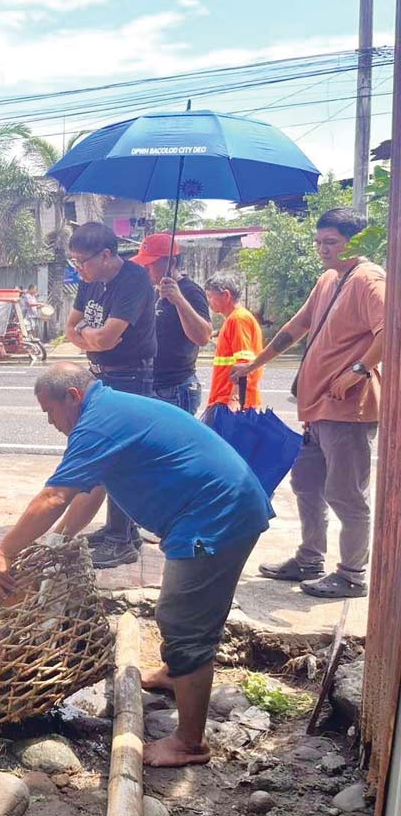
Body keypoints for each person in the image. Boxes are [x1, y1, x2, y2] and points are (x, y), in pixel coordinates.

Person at [0, 363, 272, 767]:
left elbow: (54, 497)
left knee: (183, 620)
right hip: (214, 508)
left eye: (49, 411)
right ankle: (177, 673)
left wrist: (4, 553)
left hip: (215, 515)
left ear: (72, 397)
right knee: (184, 614)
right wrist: (59, 539)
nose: (50, 422)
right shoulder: (109, 411)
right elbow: (92, 489)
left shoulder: (97, 423)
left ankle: (189, 743)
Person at [232, 207, 386, 599]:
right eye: (319, 242)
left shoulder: (370, 279)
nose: (322, 250)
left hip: (346, 408)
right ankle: (309, 558)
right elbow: (296, 328)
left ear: (356, 242)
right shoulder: (330, 278)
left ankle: (352, 574)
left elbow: (390, 331)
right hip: (317, 407)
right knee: (307, 483)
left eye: (330, 243)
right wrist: (255, 363)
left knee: (346, 494)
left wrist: (358, 369)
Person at [64, 223, 157, 568]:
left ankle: (121, 540)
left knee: (121, 457)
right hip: (101, 376)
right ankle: (120, 530)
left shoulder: (133, 280)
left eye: (82, 262)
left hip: (131, 375)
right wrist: (91, 334)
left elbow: (107, 339)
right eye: (73, 262)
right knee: (109, 455)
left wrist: (87, 335)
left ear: (106, 255)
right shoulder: (90, 283)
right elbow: (71, 330)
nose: (79, 270)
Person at [130, 233, 211, 414]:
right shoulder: (152, 291)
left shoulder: (190, 291)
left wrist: (179, 301)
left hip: (175, 388)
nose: (145, 268)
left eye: (150, 263)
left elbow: (203, 336)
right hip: (151, 384)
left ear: (170, 263)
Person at [202, 271, 263, 421]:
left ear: (226, 296)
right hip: (225, 401)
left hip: (228, 404)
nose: (209, 301)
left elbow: (243, 364)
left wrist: (234, 400)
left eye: (211, 296)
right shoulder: (234, 319)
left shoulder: (238, 319)